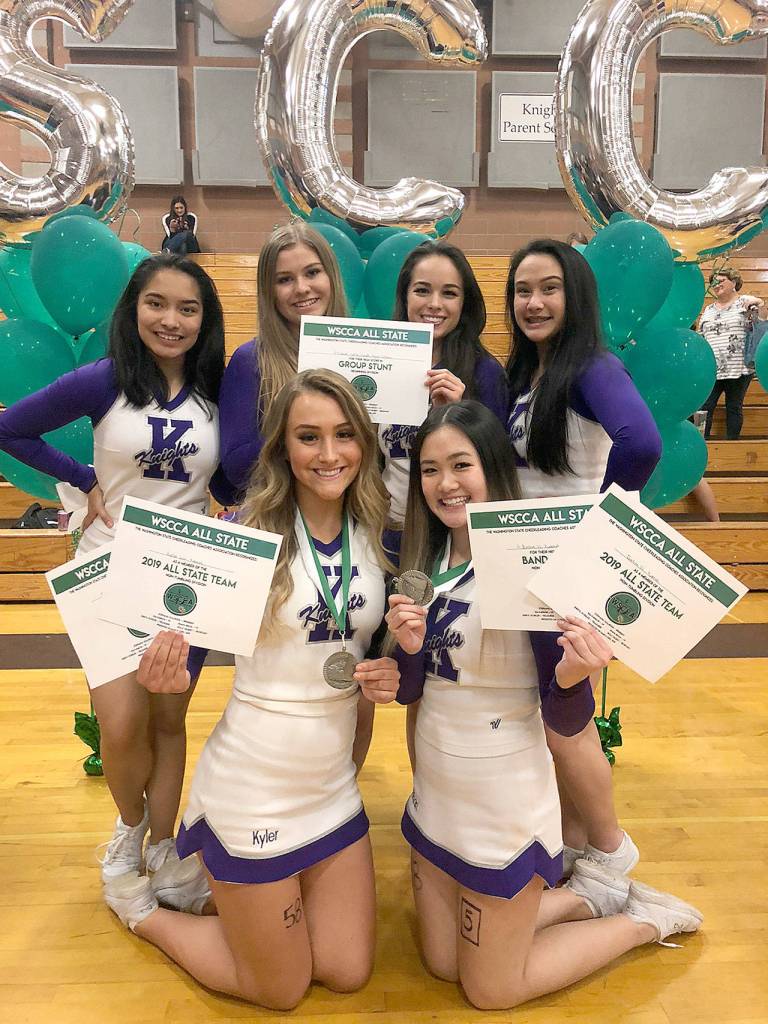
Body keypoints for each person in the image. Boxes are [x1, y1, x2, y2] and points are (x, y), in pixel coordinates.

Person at [385, 400, 701, 1010]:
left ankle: (644, 922)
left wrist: (575, 671)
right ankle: (588, 898)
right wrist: (404, 651)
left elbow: (563, 716)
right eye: (429, 469)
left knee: (490, 990)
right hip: (436, 792)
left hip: (501, 796)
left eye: (461, 465)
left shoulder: (531, 559)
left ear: (494, 467)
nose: (445, 484)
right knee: (441, 961)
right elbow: (411, 691)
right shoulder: (423, 561)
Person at [102, 370, 401, 1010]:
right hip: (254, 785)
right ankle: (144, 910)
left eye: (344, 435)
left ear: (365, 443)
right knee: (281, 989)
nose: (329, 454)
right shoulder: (246, 532)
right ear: (283, 448)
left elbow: (373, 646)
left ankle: (225, 898)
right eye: (309, 437)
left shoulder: (380, 533)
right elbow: (185, 643)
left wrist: (386, 677)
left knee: (346, 971)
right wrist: (167, 680)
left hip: (331, 787)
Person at [0, 252, 229, 904]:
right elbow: (10, 429)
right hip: (109, 567)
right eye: (157, 303)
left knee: (168, 718)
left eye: (189, 308)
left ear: (204, 319)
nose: (172, 319)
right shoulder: (103, 381)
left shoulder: (215, 390)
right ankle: (131, 828)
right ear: (133, 309)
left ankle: (164, 846)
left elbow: (239, 472)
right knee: (122, 722)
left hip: (188, 576)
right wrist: (81, 478)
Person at [505, 238, 662, 877]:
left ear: (576, 295)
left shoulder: (592, 367)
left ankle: (610, 849)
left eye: (549, 288)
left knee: (565, 719)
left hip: (565, 573)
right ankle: (571, 841)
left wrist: (601, 533)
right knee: (551, 708)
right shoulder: (527, 374)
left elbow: (643, 443)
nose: (534, 302)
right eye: (522, 290)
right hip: (522, 569)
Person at [379, 240, 509, 525]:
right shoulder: (383, 364)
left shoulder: (484, 373)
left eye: (449, 293)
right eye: (422, 290)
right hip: (387, 531)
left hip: (450, 534)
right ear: (405, 297)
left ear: (464, 303)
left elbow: (499, 471)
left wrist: (461, 416)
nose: (434, 304)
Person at [218, 222, 347, 497]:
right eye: (285, 279)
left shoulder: (366, 352)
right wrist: (298, 431)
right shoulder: (250, 361)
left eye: (312, 272)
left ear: (331, 276)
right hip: (280, 519)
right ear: (269, 291)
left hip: (355, 520)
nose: (302, 288)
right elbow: (235, 469)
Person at [698, 268, 764, 440]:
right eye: (713, 281)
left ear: (734, 283)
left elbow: (762, 320)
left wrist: (757, 300)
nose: (716, 284)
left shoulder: (745, 302)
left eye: (721, 280)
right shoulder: (708, 309)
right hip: (712, 368)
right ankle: (701, 444)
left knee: (734, 407)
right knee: (705, 407)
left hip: (739, 368)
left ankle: (732, 444)